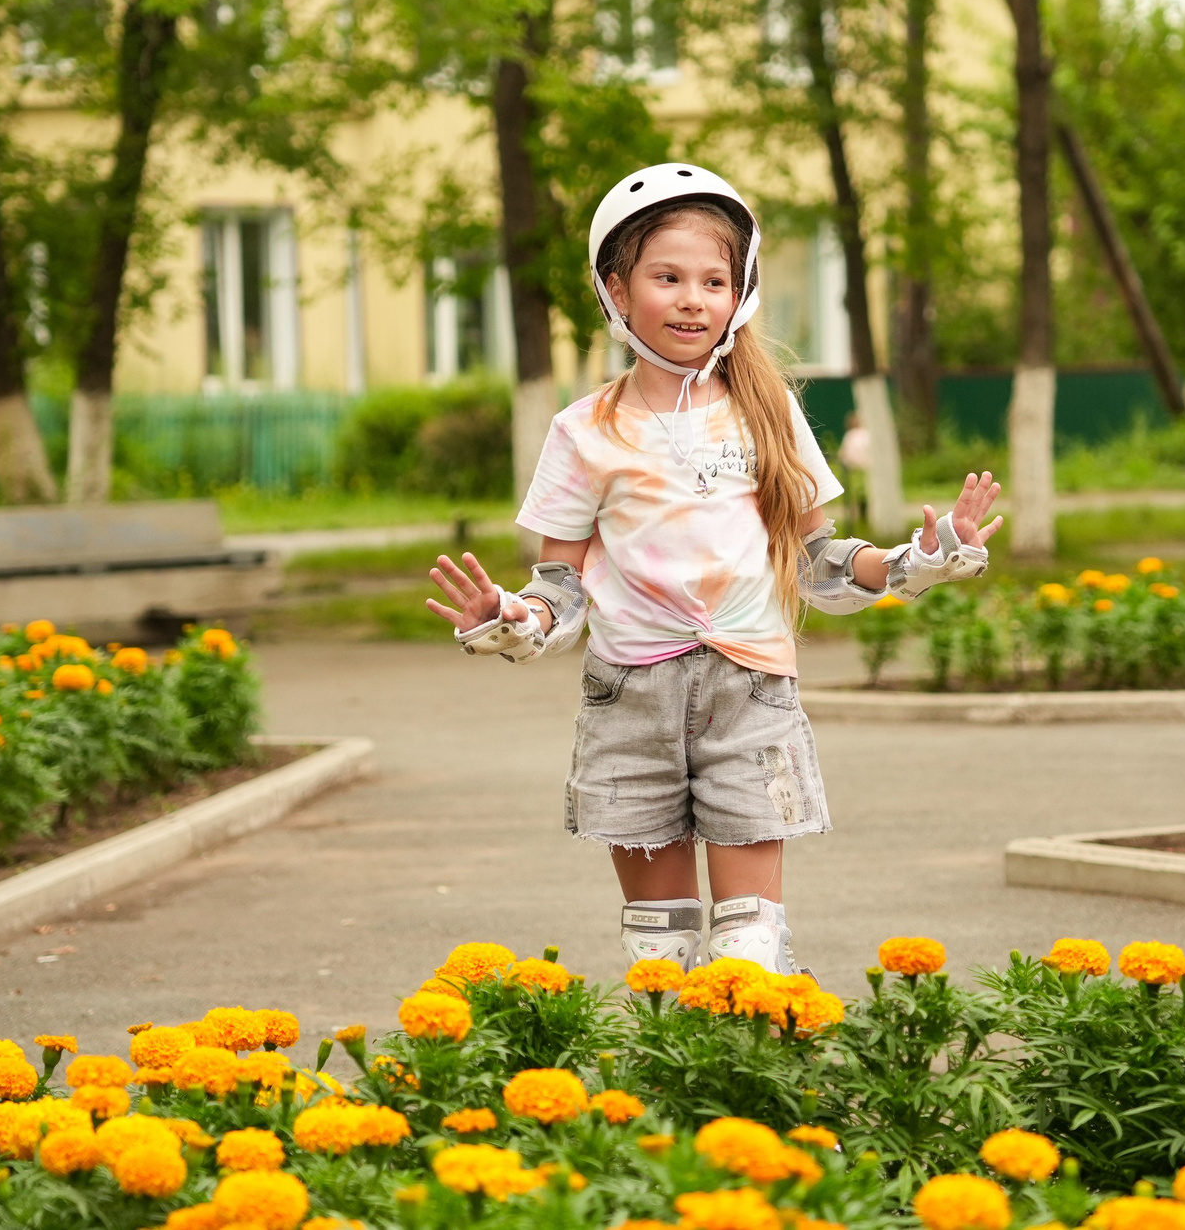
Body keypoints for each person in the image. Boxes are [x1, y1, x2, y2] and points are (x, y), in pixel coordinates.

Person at [424, 164, 1001, 975]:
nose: (694, 298)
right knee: (661, 950)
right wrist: (510, 618)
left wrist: (917, 561)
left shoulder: (769, 412)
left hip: (750, 694)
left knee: (748, 948)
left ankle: (752, 1087)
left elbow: (819, 562)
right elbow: (562, 587)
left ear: (742, 293)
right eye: (668, 277)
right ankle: (679, 1096)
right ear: (617, 289)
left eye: (714, 280)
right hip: (630, 702)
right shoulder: (582, 430)